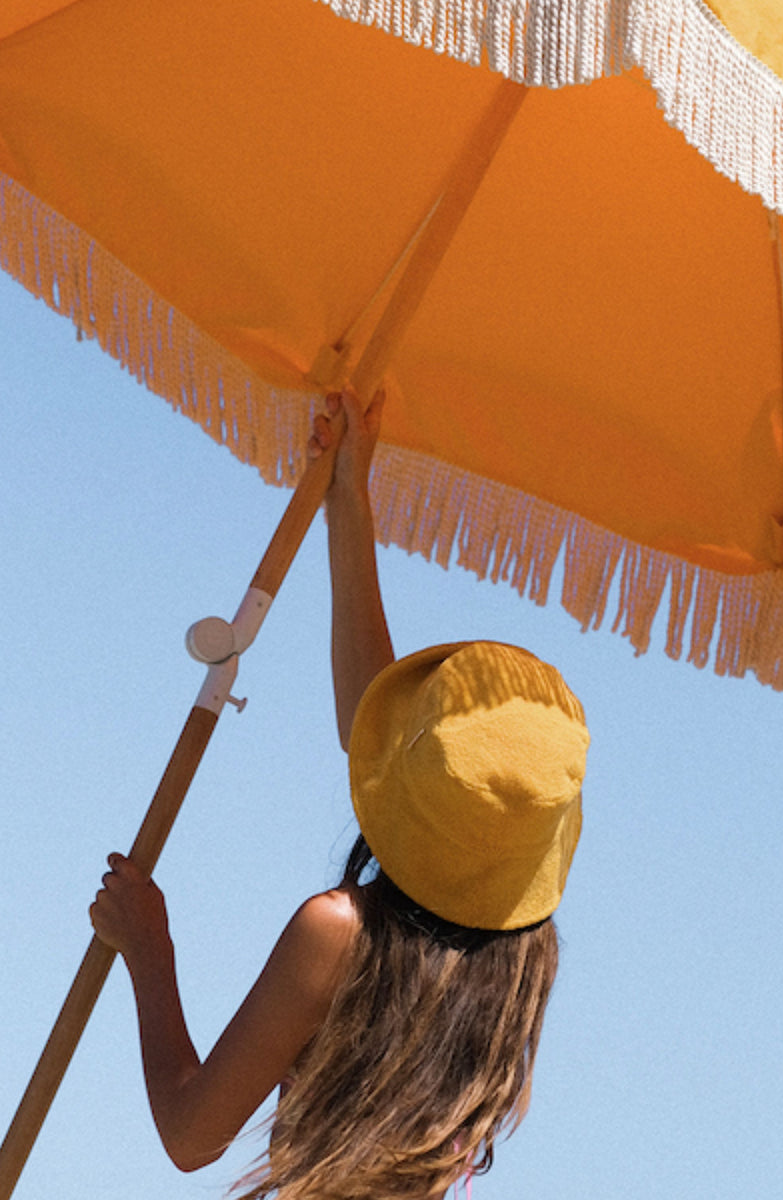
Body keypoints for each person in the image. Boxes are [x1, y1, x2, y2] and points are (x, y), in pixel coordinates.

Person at [90, 387, 590, 1199]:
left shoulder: (339, 934)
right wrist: (349, 498)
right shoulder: (521, 963)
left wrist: (147, 947)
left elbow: (191, 1133)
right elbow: (372, 729)